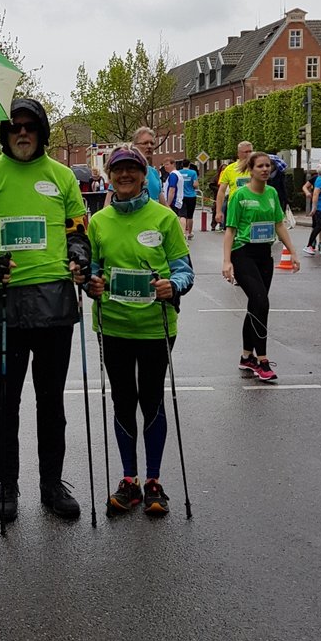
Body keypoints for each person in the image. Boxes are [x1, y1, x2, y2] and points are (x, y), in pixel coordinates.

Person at [0, 98, 91, 522]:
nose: (22, 133)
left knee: (51, 401)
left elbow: (78, 233)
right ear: (4, 133)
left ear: (42, 132)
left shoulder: (62, 177)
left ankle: (51, 484)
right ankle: (9, 485)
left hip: (54, 302)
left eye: (30, 127)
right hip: (5, 302)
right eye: (15, 127)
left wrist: (79, 258)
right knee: (6, 402)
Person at [87, 148, 193, 515]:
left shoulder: (164, 218)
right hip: (113, 326)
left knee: (151, 400)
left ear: (143, 174)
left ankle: (153, 481)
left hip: (155, 327)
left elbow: (185, 270)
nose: (125, 176)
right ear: (110, 176)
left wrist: (173, 286)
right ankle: (128, 480)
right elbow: (93, 270)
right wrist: (92, 284)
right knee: (122, 400)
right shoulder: (98, 222)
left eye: (133, 169)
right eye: (119, 170)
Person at [222, 152, 300, 382]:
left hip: (264, 254)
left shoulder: (272, 193)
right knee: (261, 302)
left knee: (255, 306)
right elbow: (230, 230)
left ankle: (246, 356)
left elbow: (279, 224)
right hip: (242, 252)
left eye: (268, 166)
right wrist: (227, 261)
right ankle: (262, 360)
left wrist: (293, 252)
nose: (265, 170)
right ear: (251, 169)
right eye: (261, 166)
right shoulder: (240, 195)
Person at [214, 140, 255, 228]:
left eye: (250, 151)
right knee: (234, 234)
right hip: (235, 208)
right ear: (239, 153)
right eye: (246, 152)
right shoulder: (229, 169)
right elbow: (221, 191)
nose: (249, 154)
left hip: (254, 206)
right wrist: (218, 211)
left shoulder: (257, 167)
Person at [304, 162, 321, 256]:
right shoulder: (320, 180)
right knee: (319, 226)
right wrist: (314, 207)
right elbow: (316, 194)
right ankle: (309, 245)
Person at [131, 126, 164, 201]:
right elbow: (108, 204)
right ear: (134, 146)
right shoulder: (125, 172)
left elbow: (163, 203)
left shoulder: (154, 172)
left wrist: (173, 213)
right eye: (145, 143)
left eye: (152, 143)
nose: (149, 146)